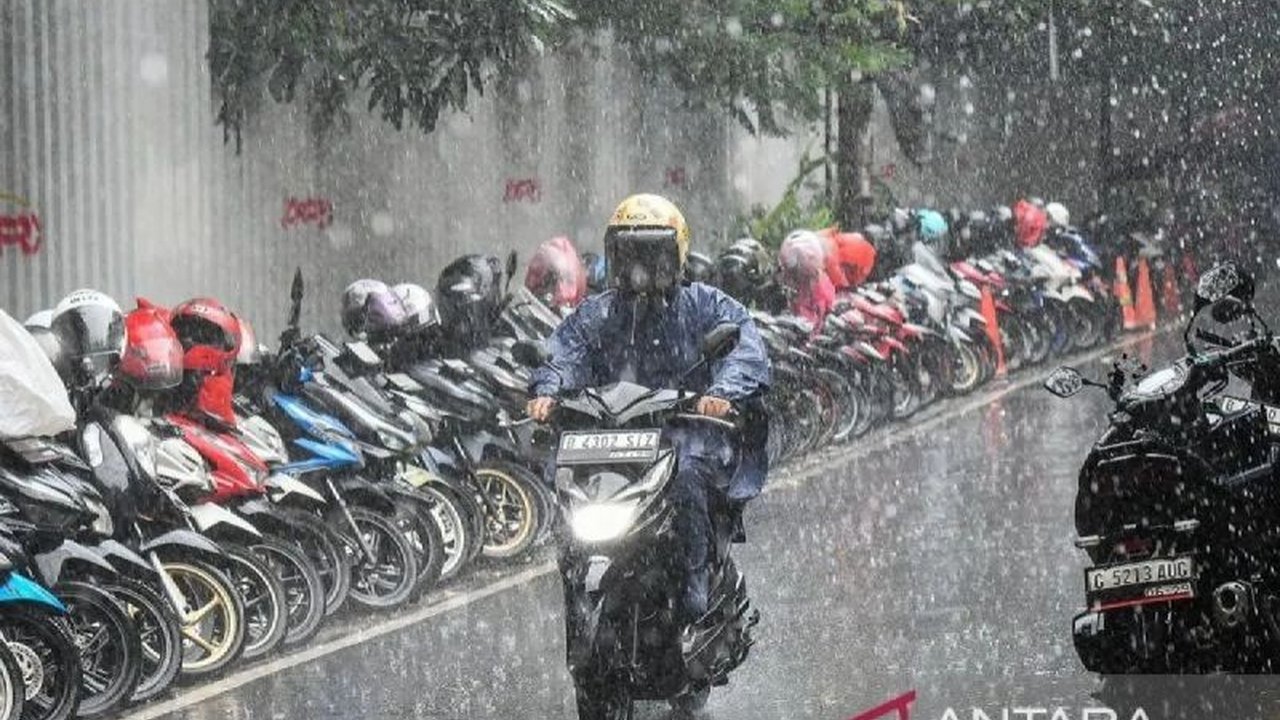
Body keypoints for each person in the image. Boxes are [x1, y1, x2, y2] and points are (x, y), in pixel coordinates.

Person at [526, 193, 771, 626]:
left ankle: (695, 584)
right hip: (611, 442)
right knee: (567, 490)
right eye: (628, 254)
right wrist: (548, 391)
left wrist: (723, 392)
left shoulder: (704, 305)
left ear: (674, 256)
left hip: (684, 436)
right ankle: (579, 589)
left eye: (652, 255)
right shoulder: (597, 314)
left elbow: (745, 352)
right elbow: (564, 356)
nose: (639, 268)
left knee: (690, 476)